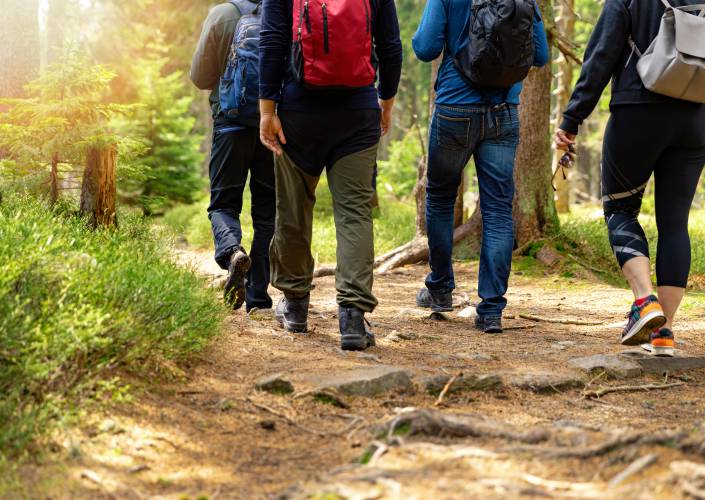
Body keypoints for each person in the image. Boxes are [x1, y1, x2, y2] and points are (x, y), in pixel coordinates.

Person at [555, 0, 705, 357]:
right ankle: (664, 332)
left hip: (638, 110)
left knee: (620, 210)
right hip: (696, 118)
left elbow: (601, 56)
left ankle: (645, 302)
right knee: (674, 224)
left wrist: (572, 119)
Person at [258, 0, 403, 350]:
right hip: (357, 112)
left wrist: (267, 110)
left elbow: (272, 41)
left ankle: (294, 306)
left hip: (298, 114)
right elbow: (390, 45)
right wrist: (386, 103)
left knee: (293, 210)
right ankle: (352, 318)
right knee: (354, 213)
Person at [412, 0, 549, 333]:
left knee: (441, 198)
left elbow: (425, 47)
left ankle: (441, 289)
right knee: (499, 210)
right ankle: (491, 309)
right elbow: (541, 55)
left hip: (454, 109)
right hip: (503, 112)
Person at [191, 0, 276, 312]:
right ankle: (259, 299)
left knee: (223, 204)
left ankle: (232, 252)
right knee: (268, 214)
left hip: (231, 123)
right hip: (274, 126)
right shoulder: (285, 12)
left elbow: (200, 77)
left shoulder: (222, 14)